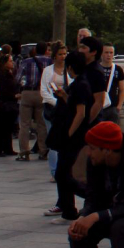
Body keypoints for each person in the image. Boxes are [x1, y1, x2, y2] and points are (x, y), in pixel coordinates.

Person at [47, 51, 93, 221]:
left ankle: (86, 199)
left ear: (70, 67)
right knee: (63, 173)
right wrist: (65, 96)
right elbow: (75, 106)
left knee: (64, 174)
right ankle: (69, 210)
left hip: (73, 138)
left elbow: (80, 113)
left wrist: (68, 134)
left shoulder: (80, 85)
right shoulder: (80, 84)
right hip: (72, 136)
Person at [16, 43, 50, 161]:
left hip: (28, 93)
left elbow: (18, 78)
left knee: (24, 124)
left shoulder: (26, 61)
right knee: (42, 124)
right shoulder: (50, 61)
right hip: (42, 93)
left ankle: (24, 151)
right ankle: (43, 151)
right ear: (46, 50)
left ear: (35, 50)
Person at [40, 43, 67, 181]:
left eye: (64, 54)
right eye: (60, 54)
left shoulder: (70, 70)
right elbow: (44, 91)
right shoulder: (48, 71)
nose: (63, 57)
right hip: (52, 109)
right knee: (53, 140)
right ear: (54, 56)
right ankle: (54, 171)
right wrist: (57, 102)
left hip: (67, 108)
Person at [0, 54, 20, 157]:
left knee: (8, 127)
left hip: (11, 103)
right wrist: (15, 96)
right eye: (10, 61)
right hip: (4, 104)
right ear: (4, 63)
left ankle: (7, 148)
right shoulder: (1, 75)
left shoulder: (9, 73)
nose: (12, 63)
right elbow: (3, 91)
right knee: (0, 127)